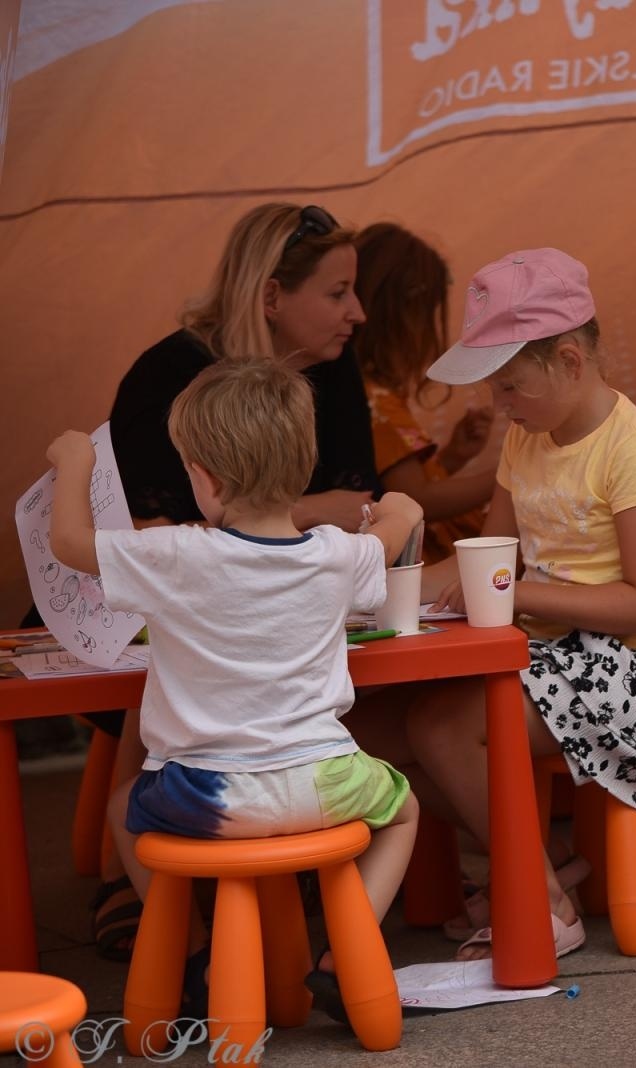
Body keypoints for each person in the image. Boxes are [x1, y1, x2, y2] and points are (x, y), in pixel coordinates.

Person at [347, 248, 636, 961]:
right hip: (546, 654)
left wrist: (512, 592)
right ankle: (547, 856)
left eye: (511, 386)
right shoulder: (526, 436)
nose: (500, 405)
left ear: (570, 362)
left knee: (437, 727)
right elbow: (482, 562)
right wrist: (360, 587)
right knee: (372, 724)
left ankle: (544, 900)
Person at [46, 359, 421, 1020]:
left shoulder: (176, 555)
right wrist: (399, 504)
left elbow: (71, 543)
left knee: (122, 811)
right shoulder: (337, 553)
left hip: (202, 796)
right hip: (324, 785)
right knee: (405, 809)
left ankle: (194, 961)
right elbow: (392, 532)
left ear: (208, 481)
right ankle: (342, 950)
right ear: (302, 467)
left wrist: (74, 460)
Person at [85, 202, 379, 961]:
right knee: (180, 654)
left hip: (213, 621)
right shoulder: (169, 377)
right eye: (338, 292)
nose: (358, 312)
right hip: (156, 599)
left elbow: (361, 495)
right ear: (272, 297)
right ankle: (245, 900)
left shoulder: (333, 368)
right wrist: (309, 513)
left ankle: (189, 947)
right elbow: (155, 524)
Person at [351, 222, 495, 563]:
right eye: (423, 314)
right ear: (397, 314)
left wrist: (451, 459)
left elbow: (395, 488)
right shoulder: (371, 401)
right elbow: (417, 498)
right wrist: (513, 475)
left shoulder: (377, 393)